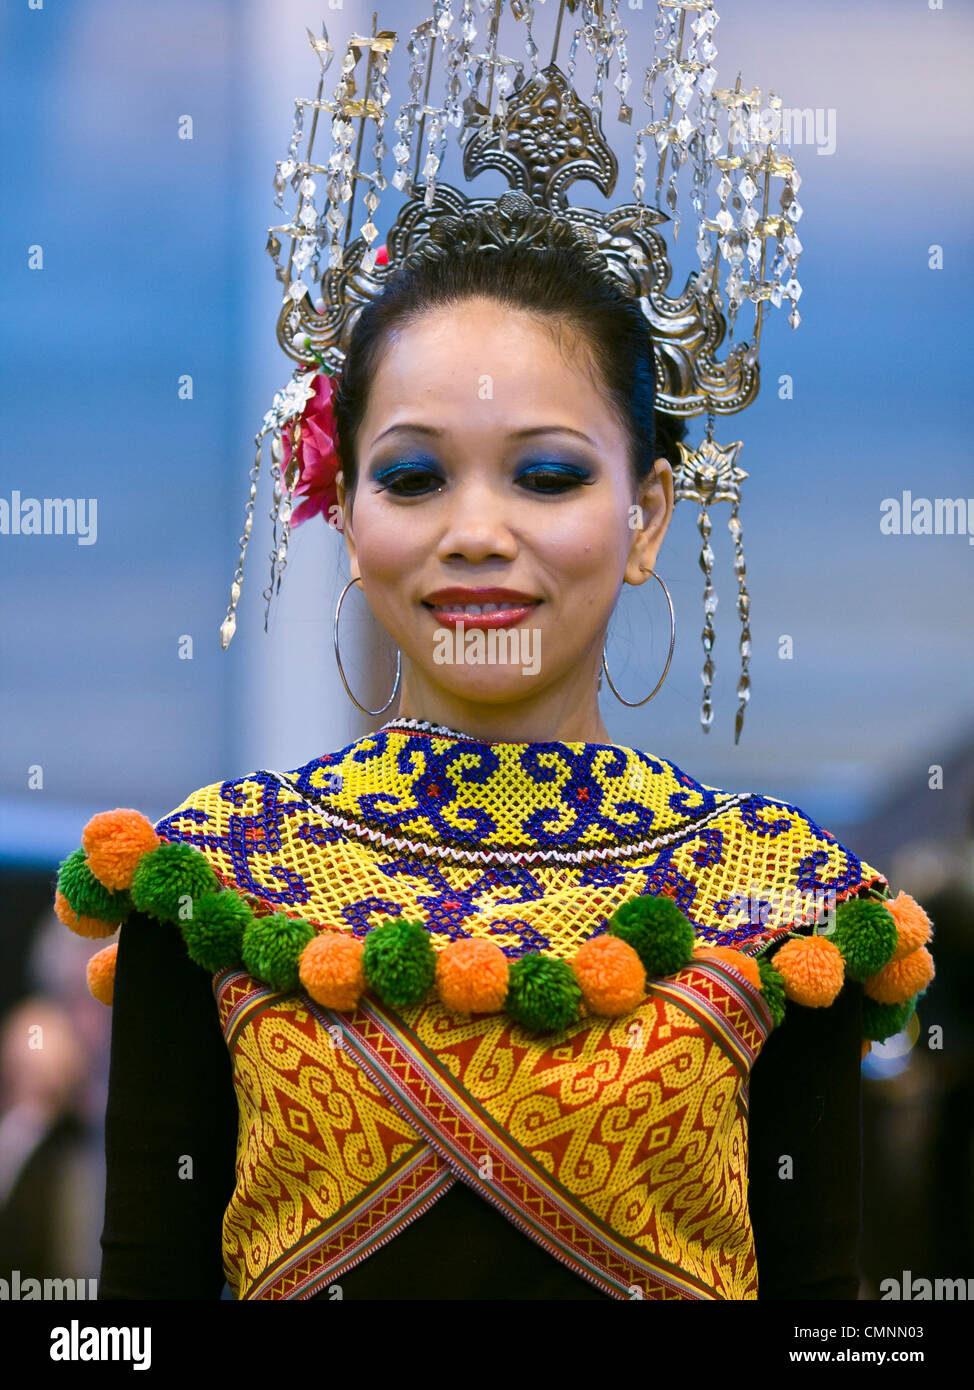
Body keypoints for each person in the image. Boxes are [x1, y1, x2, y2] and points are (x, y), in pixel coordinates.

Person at [56, 238, 935, 1300]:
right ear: (344, 510)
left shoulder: (777, 894)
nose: (475, 532)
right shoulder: (211, 873)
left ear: (645, 515)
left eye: (548, 475)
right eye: (413, 477)